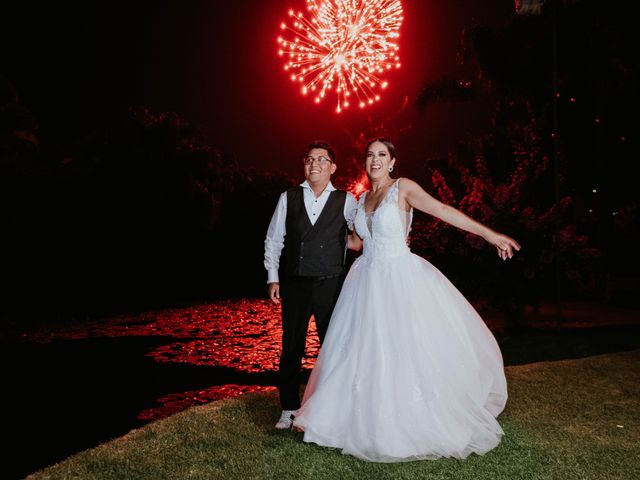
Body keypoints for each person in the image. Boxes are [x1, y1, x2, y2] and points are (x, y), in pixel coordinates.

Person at [293, 138, 521, 462]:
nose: (374, 160)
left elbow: (442, 211)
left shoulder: (403, 188)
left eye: (381, 155)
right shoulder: (360, 199)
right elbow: (358, 243)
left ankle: (409, 420)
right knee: (361, 352)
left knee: (405, 348)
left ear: (392, 162)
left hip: (399, 277)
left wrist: (489, 234)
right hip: (365, 281)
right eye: (370, 155)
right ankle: (349, 419)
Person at [264, 140, 358, 429]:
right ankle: (289, 409)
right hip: (295, 284)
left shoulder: (347, 200)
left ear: (332, 167)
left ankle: (332, 407)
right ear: (304, 165)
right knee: (291, 347)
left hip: (332, 284)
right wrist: (273, 277)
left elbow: (359, 236)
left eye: (321, 159)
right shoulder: (288, 197)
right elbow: (274, 239)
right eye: (309, 159)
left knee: (333, 347)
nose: (314, 164)